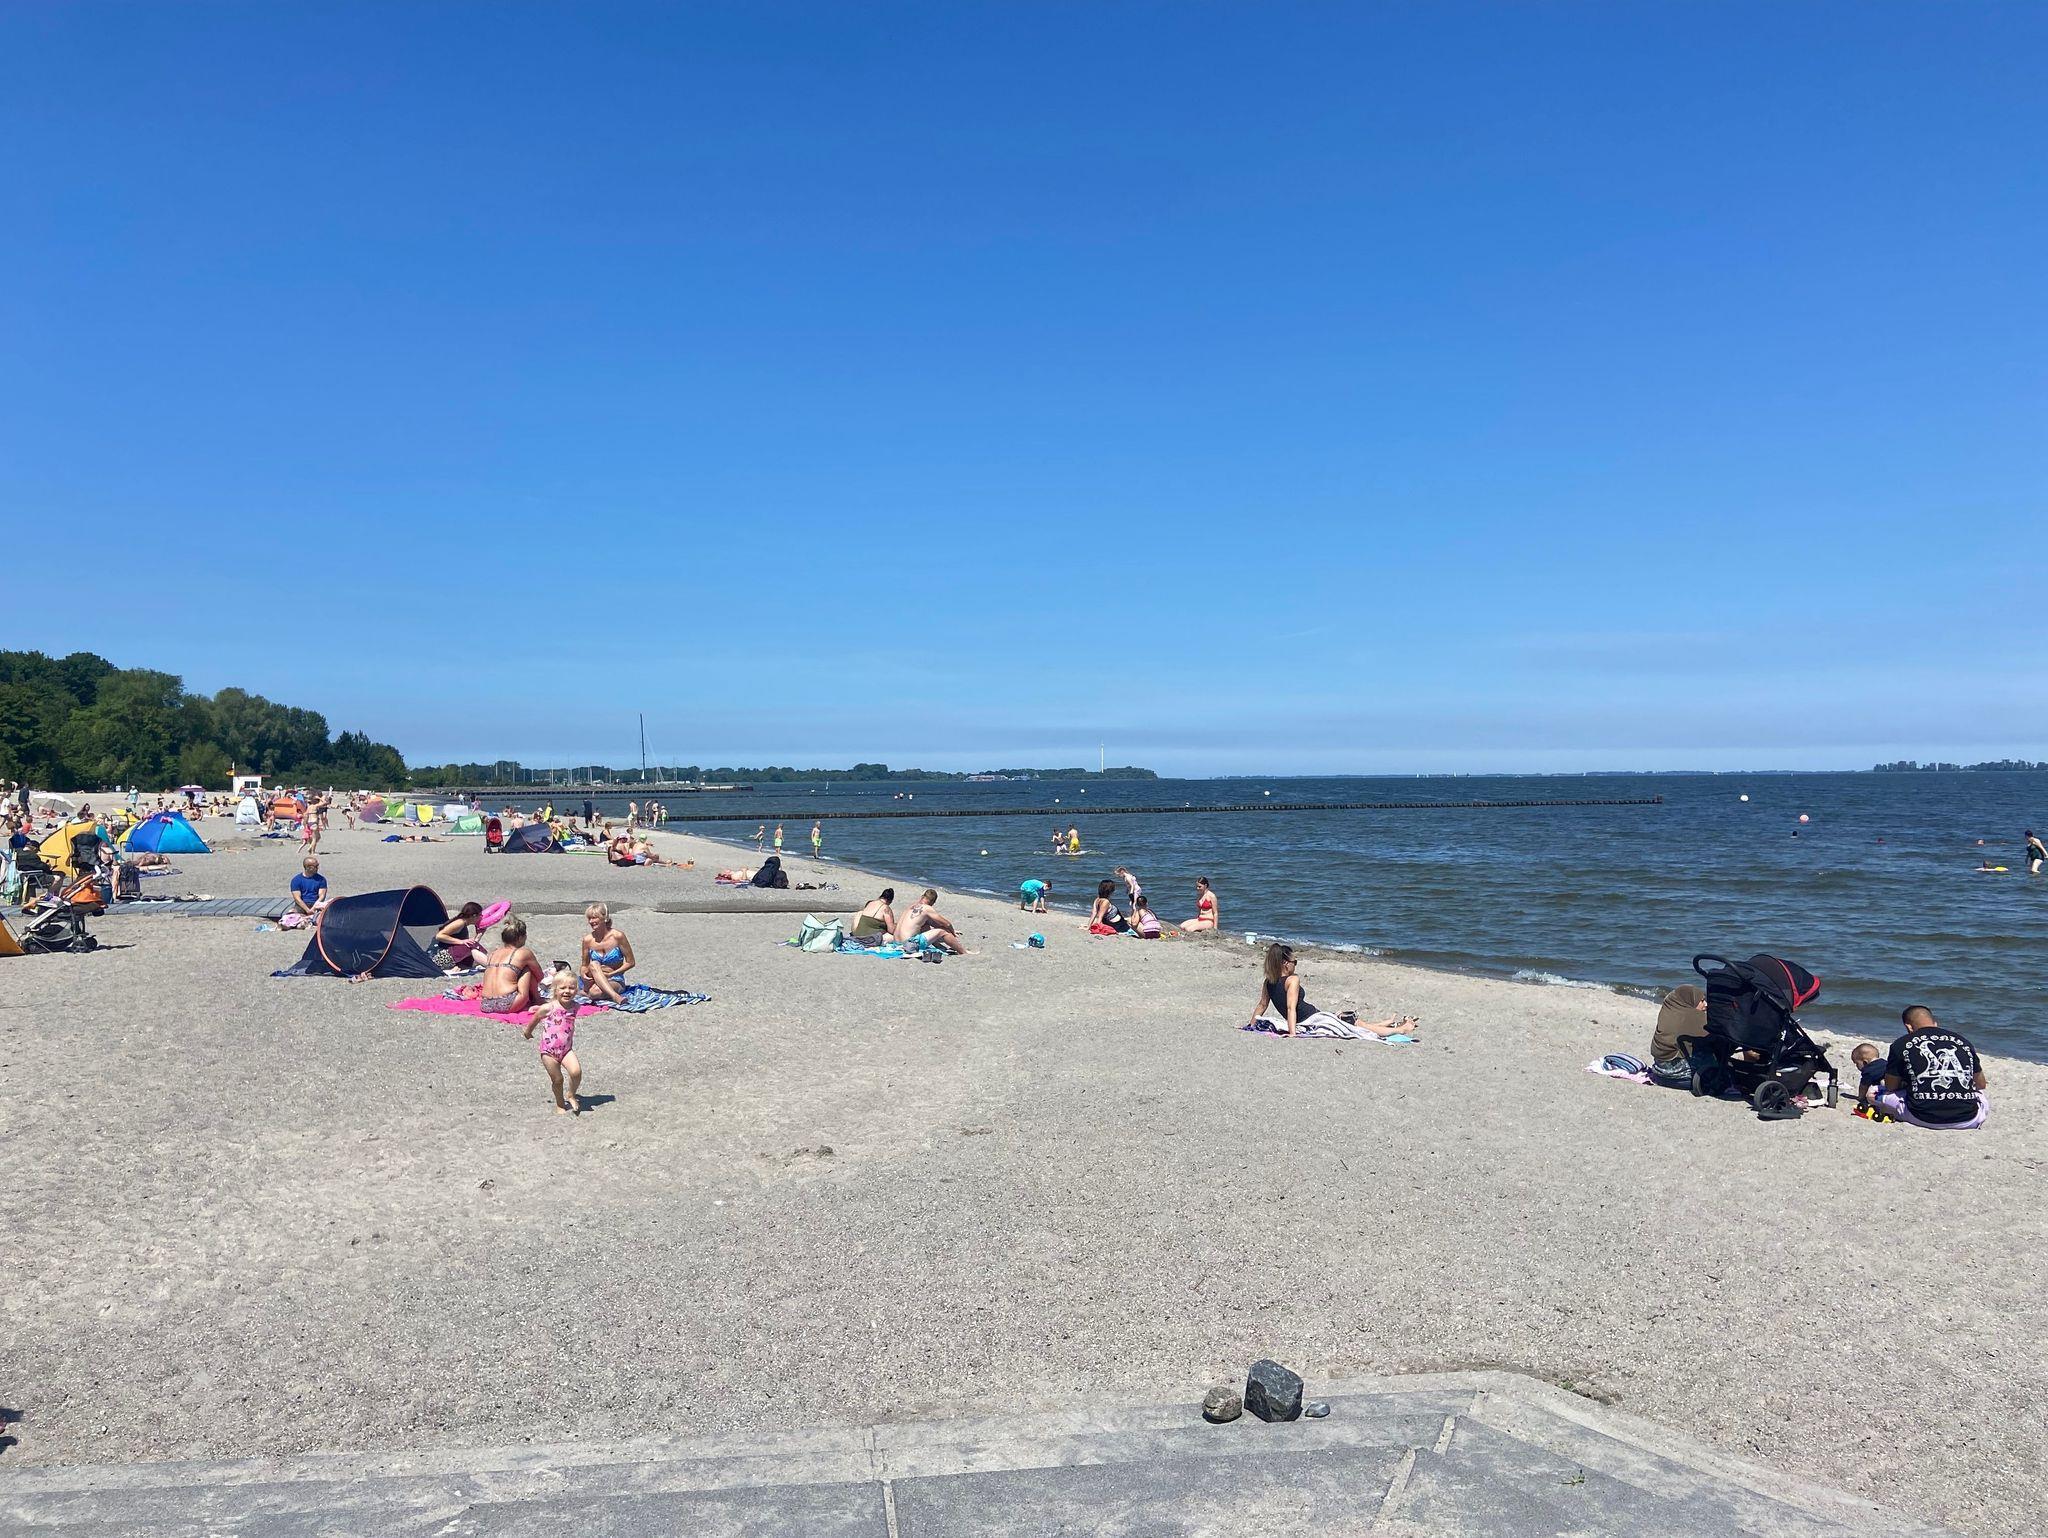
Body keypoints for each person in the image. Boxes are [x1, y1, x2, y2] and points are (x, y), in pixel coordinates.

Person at [1250, 942, 1417, 1039]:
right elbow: (1290, 1008)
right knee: (1356, 1024)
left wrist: (1251, 1025)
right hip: (1313, 1018)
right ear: (1285, 963)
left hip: (1312, 1016)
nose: (1296, 965)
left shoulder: (1269, 982)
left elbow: (1262, 1005)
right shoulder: (1292, 980)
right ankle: (1400, 1029)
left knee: (1353, 1021)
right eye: (1295, 962)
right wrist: (1293, 1033)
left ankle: (1388, 1023)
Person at [1875, 1006, 1988, 1129]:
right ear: (1935, 1023)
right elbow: (1981, 1084)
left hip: (1923, 1118)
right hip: (1969, 1119)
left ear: (1909, 1027)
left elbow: (1891, 1086)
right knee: (1980, 1093)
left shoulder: (1901, 1044)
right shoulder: (1963, 1041)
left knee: (1874, 1093)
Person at [523, 969, 585, 1114]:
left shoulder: (575, 1006)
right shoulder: (548, 1007)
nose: (567, 991)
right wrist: (528, 1032)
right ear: (555, 990)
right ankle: (560, 1103)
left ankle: (571, 1094)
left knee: (576, 1072)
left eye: (571, 988)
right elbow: (536, 1018)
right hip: (548, 1051)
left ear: (576, 990)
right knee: (557, 1080)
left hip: (566, 1049)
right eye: (562, 988)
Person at [1646, 983, 1708, 1088]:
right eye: (1701, 1001)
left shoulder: (1671, 1011)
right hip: (1677, 1075)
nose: (1705, 1004)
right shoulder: (1691, 1018)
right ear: (1690, 1001)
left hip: (1659, 1070)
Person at [479, 916, 543, 1015]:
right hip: (508, 1003)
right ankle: (537, 999)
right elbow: (540, 976)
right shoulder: (523, 953)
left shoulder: (493, 953)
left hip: (486, 1004)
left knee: (513, 970)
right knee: (527, 968)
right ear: (520, 938)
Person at [578, 902, 635, 1004]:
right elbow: (584, 965)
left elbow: (630, 962)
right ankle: (615, 996)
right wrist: (583, 975)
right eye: (589, 918)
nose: (591, 921)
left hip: (614, 978)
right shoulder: (587, 940)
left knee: (595, 993)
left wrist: (612, 974)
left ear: (604, 918)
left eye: (594, 918)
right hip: (594, 977)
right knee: (594, 964)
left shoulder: (618, 936)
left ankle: (588, 993)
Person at [897, 888, 967, 954]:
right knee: (943, 931)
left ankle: (940, 947)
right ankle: (963, 952)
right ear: (933, 902)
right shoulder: (927, 908)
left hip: (897, 942)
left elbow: (934, 924)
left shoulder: (910, 907)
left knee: (925, 926)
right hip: (909, 944)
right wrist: (953, 931)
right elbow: (947, 924)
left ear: (922, 897)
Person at [433, 901, 489, 971]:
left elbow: (472, 944)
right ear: (474, 916)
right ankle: (491, 966)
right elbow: (439, 936)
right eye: (480, 915)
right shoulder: (460, 922)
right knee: (470, 946)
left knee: (472, 946)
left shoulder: (463, 923)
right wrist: (461, 941)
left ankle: (459, 966)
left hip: (446, 955)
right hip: (438, 956)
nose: (481, 918)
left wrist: (479, 934)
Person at [1850, 1041, 1888, 1110]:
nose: (1856, 1066)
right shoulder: (1885, 1063)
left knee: (1872, 1092)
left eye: (1857, 1063)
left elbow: (1863, 1086)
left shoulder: (1868, 1070)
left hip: (1886, 1088)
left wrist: (1861, 1097)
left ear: (1864, 1062)